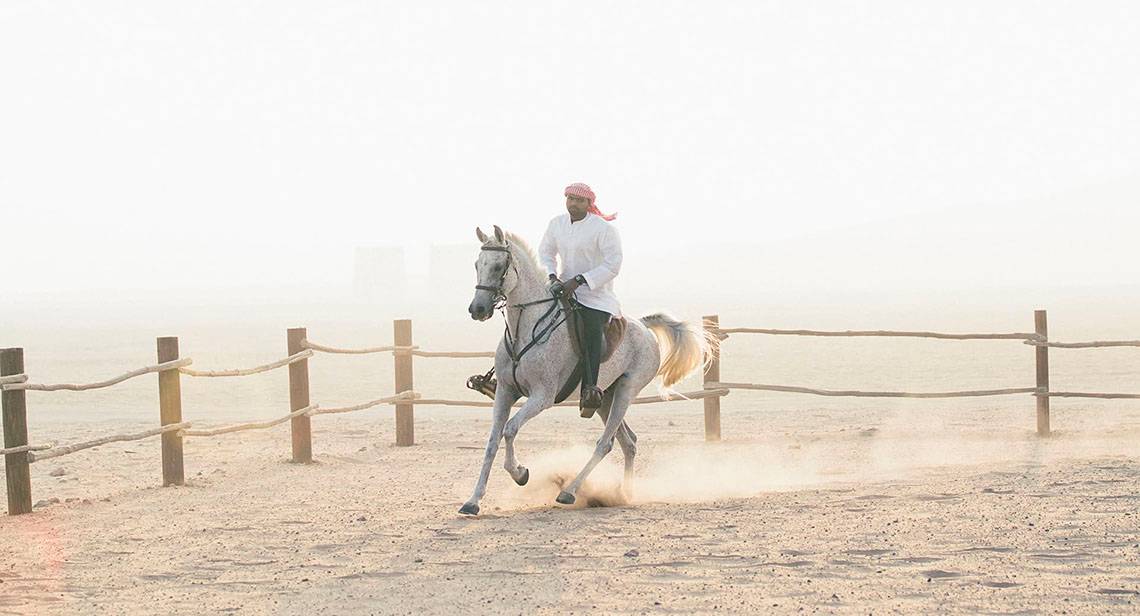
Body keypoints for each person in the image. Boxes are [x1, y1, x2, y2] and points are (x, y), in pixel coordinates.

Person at [539, 182, 623, 416]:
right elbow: (546, 252)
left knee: (591, 330)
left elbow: (613, 264)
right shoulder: (556, 224)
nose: (573, 203)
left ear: (589, 203)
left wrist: (580, 280)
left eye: (578, 200)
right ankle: (505, 376)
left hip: (595, 296)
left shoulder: (603, 229)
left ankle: (590, 390)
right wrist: (552, 276)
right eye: (569, 198)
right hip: (561, 288)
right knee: (527, 315)